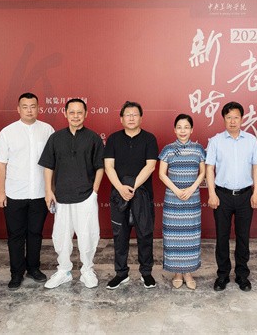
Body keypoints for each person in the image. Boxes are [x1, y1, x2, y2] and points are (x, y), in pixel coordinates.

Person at [38, 98, 105, 289]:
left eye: (79, 112)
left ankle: (87, 270)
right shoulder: (56, 138)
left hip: (86, 195)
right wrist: (49, 191)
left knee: (88, 235)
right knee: (61, 235)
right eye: (72, 112)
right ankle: (64, 271)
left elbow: (100, 166)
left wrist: (94, 190)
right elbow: (48, 166)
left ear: (86, 114)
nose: (76, 116)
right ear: (65, 113)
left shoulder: (93, 138)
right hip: (61, 196)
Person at [0, 92, 55, 289]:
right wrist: (1, 192)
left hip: (40, 192)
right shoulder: (7, 132)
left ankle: (34, 268)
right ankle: (16, 273)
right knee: (15, 235)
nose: (29, 110)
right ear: (18, 109)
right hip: (14, 193)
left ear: (39, 108)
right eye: (25, 107)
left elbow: (52, 163)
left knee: (35, 233)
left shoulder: (47, 130)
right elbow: (0, 164)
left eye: (33, 106)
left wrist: (51, 190)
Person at [206, 102, 257, 292]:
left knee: (243, 237)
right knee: (222, 237)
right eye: (229, 117)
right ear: (223, 119)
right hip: (222, 195)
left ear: (242, 119)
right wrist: (212, 193)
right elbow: (209, 168)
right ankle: (222, 275)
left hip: (245, 195)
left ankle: (242, 275)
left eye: (236, 117)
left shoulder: (250, 140)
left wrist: (256, 192)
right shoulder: (216, 141)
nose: (232, 121)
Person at [104, 101, 159, 290]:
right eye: (127, 115)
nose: (131, 118)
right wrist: (121, 188)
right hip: (118, 194)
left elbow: (150, 166)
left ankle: (146, 273)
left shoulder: (149, 139)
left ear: (141, 118)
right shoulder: (113, 139)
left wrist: (132, 187)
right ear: (121, 118)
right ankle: (121, 274)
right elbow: (108, 166)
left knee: (145, 234)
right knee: (120, 236)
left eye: (135, 114)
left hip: (142, 194)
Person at [157, 114, 206, 289]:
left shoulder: (198, 149)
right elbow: (161, 174)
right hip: (173, 199)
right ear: (174, 130)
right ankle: (177, 272)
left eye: (186, 127)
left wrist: (192, 188)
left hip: (192, 198)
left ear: (192, 130)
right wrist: (176, 190)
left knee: (191, 236)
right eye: (179, 127)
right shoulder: (168, 149)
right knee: (173, 237)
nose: (182, 130)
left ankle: (189, 272)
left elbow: (203, 172)